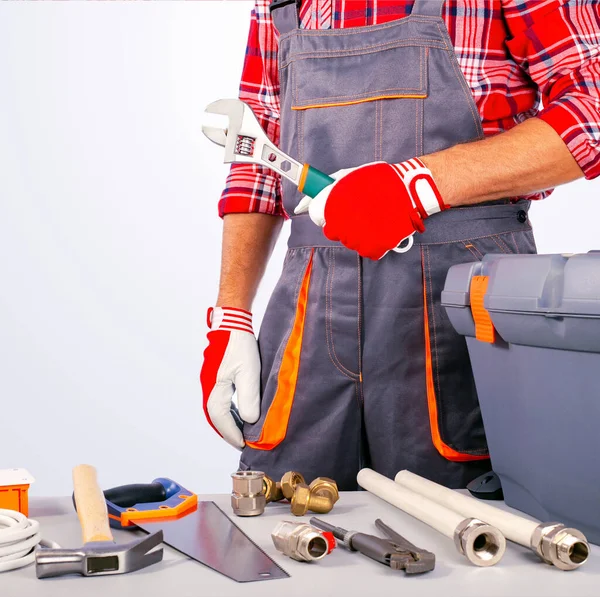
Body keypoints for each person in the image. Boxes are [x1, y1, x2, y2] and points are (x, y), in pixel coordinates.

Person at [200, 0, 600, 490]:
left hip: (459, 301)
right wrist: (231, 317)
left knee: (474, 533)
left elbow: (593, 107)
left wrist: (418, 184)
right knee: (286, 524)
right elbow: (259, 141)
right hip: (308, 310)